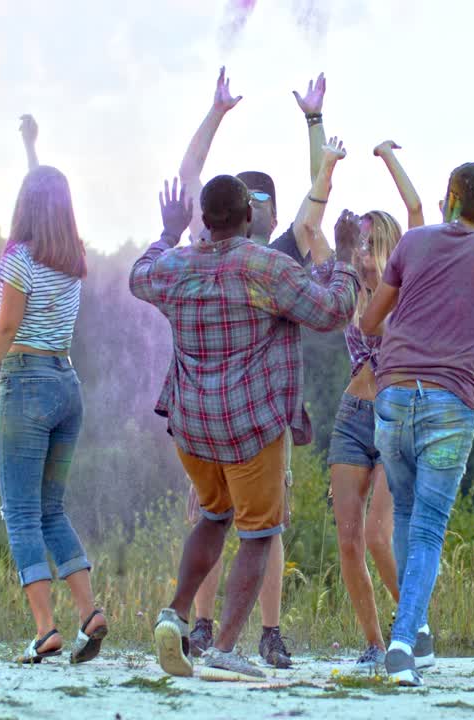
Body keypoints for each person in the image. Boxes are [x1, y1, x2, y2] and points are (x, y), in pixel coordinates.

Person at [132, 175, 359, 681]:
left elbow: (138, 275)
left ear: (202, 219)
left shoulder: (177, 265)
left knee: (214, 517)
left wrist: (169, 232)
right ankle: (225, 649)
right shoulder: (266, 267)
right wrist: (343, 257)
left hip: (192, 426)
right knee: (258, 534)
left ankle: (176, 615)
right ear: (248, 217)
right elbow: (333, 311)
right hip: (250, 426)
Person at [174, 67, 333, 668]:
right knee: (213, 518)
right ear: (238, 212)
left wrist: (315, 123)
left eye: (263, 198)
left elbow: (319, 195)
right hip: (221, 411)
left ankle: (265, 630)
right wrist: (214, 113)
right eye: (249, 199)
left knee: (263, 526)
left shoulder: (283, 252)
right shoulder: (209, 249)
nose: (257, 207)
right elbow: (189, 179)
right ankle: (206, 627)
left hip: (260, 411)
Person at [0, 114, 106, 665]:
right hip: (68, 387)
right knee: (50, 509)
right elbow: (48, 201)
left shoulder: (18, 260)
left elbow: (5, 329)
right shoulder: (73, 256)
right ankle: (90, 614)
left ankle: (45, 630)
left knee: (19, 512)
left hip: (27, 388)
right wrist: (32, 148)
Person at [360, 162, 474, 687]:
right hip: (451, 402)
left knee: (406, 514)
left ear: (451, 198)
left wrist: (409, 335)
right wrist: (464, 370)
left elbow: (369, 323)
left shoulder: (414, 243)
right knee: (427, 526)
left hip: (394, 394)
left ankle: (418, 631)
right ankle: (402, 645)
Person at [326, 139, 426, 673]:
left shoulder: (404, 286)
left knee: (378, 536)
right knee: (347, 540)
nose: (360, 253)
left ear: (385, 245)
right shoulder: (345, 287)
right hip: (350, 416)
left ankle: (414, 627)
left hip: (395, 417)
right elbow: (308, 232)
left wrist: (387, 156)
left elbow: (415, 212)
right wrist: (326, 159)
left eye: (368, 244)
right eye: (356, 245)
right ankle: (372, 644)